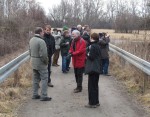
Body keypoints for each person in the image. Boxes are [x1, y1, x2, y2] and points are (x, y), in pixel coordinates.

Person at [29, 27, 52, 101]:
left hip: (33, 62)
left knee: (35, 79)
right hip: (40, 63)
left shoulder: (31, 40)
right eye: (42, 32)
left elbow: (30, 51)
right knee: (44, 79)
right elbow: (44, 54)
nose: (43, 33)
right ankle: (44, 95)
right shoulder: (41, 41)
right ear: (40, 32)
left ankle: (35, 94)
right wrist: (46, 62)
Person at [84, 33, 101, 108]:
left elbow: (91, 57)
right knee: (95, 86)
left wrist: (86, 53)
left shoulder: (93, 46)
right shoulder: (98, 45)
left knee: (91, 87)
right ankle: (96, 101)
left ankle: (92, 103)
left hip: (93, 69)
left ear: (92, 38)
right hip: (97, 68)